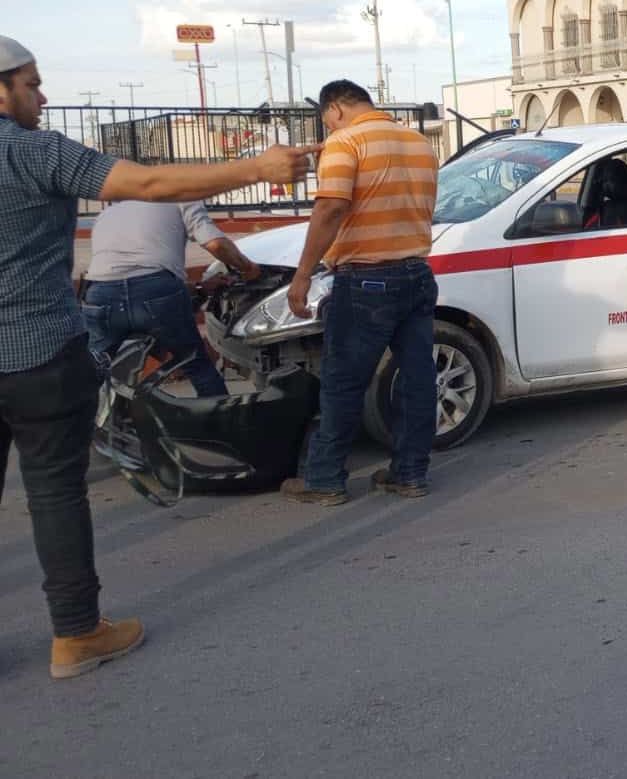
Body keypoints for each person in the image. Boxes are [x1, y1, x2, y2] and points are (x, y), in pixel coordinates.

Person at [0, 35, 317, 679]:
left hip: (73, 323)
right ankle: (77, 634)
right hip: (37, 355)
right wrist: (255, 168)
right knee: (56, 496)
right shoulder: (32, 150)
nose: (43, 95)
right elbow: (145, 181)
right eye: (31, 84)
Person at [279, 80, 438, 507]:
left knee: (343, 383)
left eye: (325, 120)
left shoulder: (344, 143)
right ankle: (410, 474)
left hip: (366, 280)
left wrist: (302, 276)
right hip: (417, 274)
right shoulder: (418, 142)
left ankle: (325, 479)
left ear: (333, 110)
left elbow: (330, 208)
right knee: (418, 380)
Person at [82, 201, 261, 397]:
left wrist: (200, 287)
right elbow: (215, 243)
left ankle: (82, 424)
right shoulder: (180, 198)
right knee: (196, 364)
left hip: (100, 294)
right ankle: (222, 423)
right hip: (157, 295)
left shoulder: (108, 212)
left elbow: (128, 277)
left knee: (90, 371)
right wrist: (249, 269)